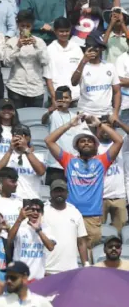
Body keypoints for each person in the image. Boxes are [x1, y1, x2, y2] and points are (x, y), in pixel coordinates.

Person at [46, 115, 123, 246]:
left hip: (92, 217)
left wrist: (100, 124)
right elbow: (49, 141)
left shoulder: (102, 162)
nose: (86, 143)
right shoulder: (69, 160)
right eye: (82, 141)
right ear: (77, 146)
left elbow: (119, 141)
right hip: (70, 214)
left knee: (90, 257)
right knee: (69, 252)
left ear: (96, 146)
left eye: (90, 141)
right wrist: (69, 124)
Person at [4, 10, 49, 108]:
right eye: (22, 26)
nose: (25, 29)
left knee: (36, 121)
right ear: (18, 25)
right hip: (16, 87)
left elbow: (45, 61)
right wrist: (18, 47)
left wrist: (36, 46)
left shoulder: (40, 42)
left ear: (32, 26)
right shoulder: (11, 42)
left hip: (36, 89)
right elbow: (7, 63)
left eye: (27, 26)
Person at [73, 33, 121, 121]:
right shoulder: (81, 65)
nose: (93, 50)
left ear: (101, 49)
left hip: (106, 114)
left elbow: (117, 91)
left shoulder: (110, 66)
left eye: (96, 47)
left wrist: (115, 113)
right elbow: (73, 82)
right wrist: (83, 61)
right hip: (85, 114)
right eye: (89, 46)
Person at [45, 18, 83, 105]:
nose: (64, 34)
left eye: (67, 31)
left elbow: (82, 72)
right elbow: (48, 77)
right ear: (55, 31)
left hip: (75, 96)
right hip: (58, 96)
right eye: (61, 31)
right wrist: (54, 97)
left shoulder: (76, 48)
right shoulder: (50, 49)